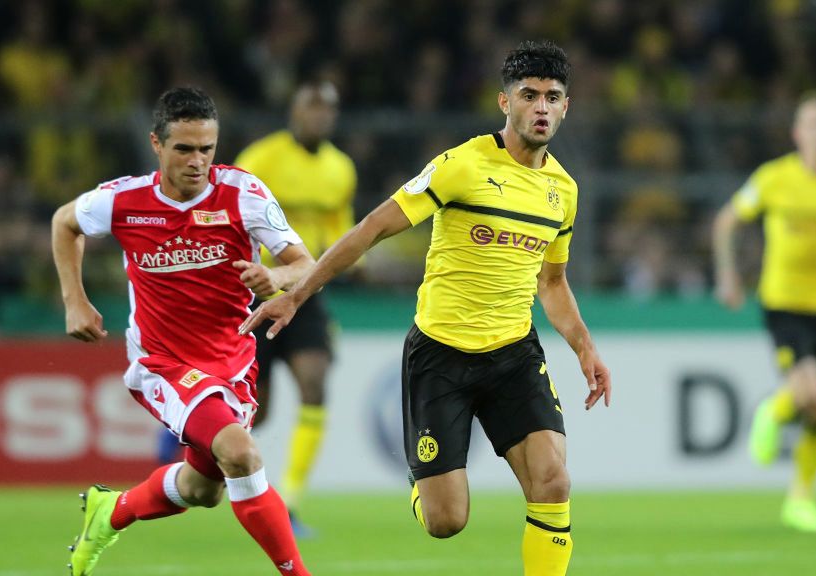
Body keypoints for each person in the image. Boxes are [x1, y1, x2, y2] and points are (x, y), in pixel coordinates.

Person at [242, 40, 611, 576]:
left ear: (566, 107)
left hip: (514, 354)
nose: (541, 107)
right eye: (529, 95)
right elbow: (371, 228)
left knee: (553, 479)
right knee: (446, 521)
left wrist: (585, 347)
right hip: (441, 355)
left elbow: (552, 282)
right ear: (504, 102)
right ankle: (425, 480)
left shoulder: (563, 191)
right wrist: (297, 293)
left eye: (552, 97)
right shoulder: (460, 166)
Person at [53, 87, 314, 576]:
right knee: (241, 453)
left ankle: (111, 512)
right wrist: (75, 300)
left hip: (233, 361)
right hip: (163, 363)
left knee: (203, 490)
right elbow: (65, 223)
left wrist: (277, 278)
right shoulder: (124, 200)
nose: (198, 162)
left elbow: (305, 264)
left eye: (207, 149)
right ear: (157, 144)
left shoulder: (244, 194)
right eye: (184, 149)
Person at [712, 95, 816, 533]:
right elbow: (727, 221)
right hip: (784, 301)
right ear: (797, 134)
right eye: (814, 125)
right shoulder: (775, 178)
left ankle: (801, 500)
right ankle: (772, 411)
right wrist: (728, 275)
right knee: (808, 390)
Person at [233, 81, 357, 535]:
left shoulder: (340, 169)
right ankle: (188, 445)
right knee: (257, 411)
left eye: (328, 110)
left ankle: (290, 499)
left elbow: (337, 229)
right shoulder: (261, 159)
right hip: (254, 293)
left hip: (306, 292)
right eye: (312, 108)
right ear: (295, 111)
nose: (321, 117)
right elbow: (230, 215)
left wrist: (347, 265)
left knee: (315, 382)